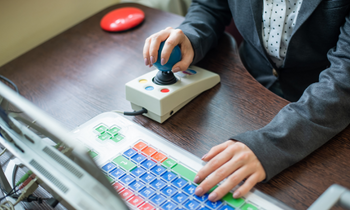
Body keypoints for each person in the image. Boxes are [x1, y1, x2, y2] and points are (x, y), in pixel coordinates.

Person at [143, 0, 350, 202]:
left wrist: (269, 146)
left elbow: (344, 78)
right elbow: (210, 7)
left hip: (320, 102)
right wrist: (191, 36)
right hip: (245, 80)